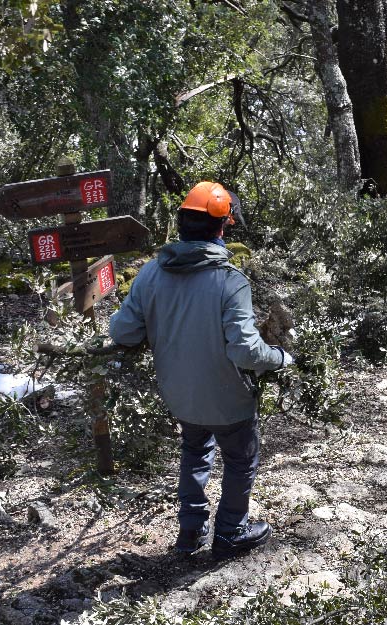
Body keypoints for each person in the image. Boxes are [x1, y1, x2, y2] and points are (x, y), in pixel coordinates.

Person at [109, 181, 292, 560]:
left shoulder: (150, 273)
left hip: (179, 394)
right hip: (228, 398)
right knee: (241, 458)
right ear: (222, 227)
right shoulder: (229, 280)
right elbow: (245, 350)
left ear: (181, 223)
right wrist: (279, 358)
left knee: (195, 450)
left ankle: (190, 532)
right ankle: (230, 533)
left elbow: (123, 331)